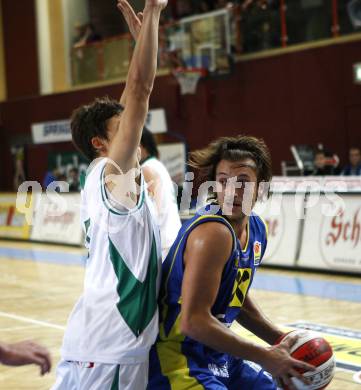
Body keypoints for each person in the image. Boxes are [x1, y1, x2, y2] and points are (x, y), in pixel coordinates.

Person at [52, 0, 167, 389]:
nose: (136, 129)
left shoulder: (103, 177)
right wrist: (153, 12)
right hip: (110, 351)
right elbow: (139, 90)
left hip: (93, 344)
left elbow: (131, 94)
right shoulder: (114, 177)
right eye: (125, 128)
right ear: (101, 143)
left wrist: (143, 43)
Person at [147, 135, 314, 389]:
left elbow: (237, 301)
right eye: (224, 181)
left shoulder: (257, 228)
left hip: (219, 353)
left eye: (244, 182)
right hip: (179, 357)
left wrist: (282, 339)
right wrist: (265, 355)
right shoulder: (213, 233)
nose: (233, 191)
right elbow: (193, 322)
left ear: (261, 187)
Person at [140, 127, 182, 259]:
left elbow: (154, 212)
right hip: (172, 236)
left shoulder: (146, 169)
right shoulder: (156, 165)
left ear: (140, 146)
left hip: (164, 242)